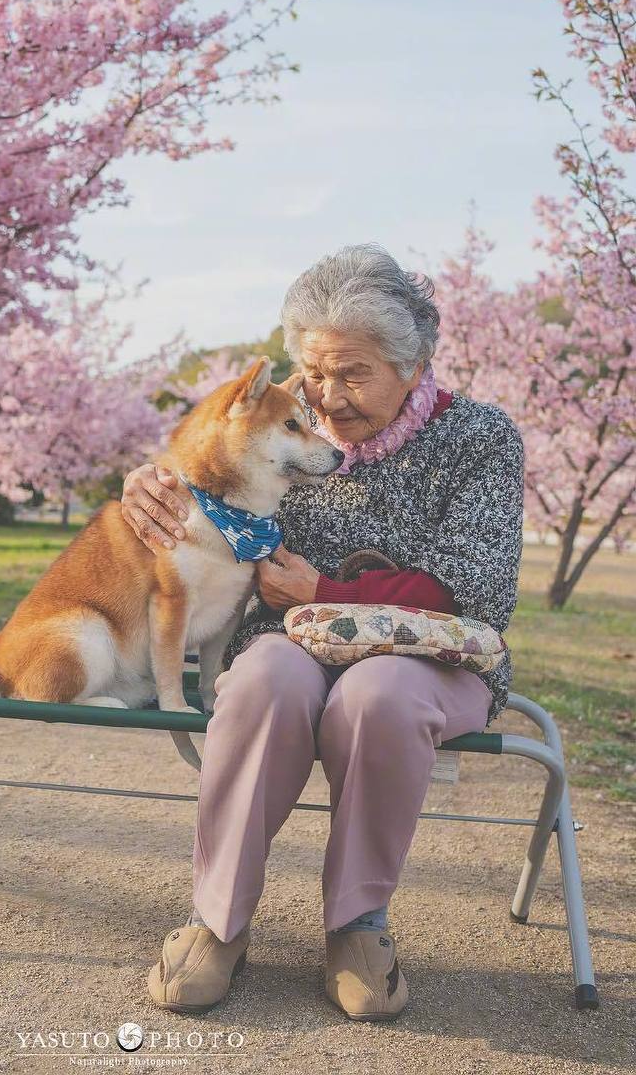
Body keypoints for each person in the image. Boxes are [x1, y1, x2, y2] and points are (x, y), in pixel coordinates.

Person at [123, 243, 524, 1021]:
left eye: (353, 374)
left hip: (426, 657)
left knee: (380, 694)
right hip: (290, 643)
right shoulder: (290, 429)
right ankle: (218, 917)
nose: (328, 399)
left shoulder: (481, 439)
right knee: (266, 683)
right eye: (314, 373)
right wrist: (149, 484)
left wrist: (329, 591)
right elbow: (203, 470)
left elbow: (475, 583)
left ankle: (356, 924)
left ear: (414, 366)